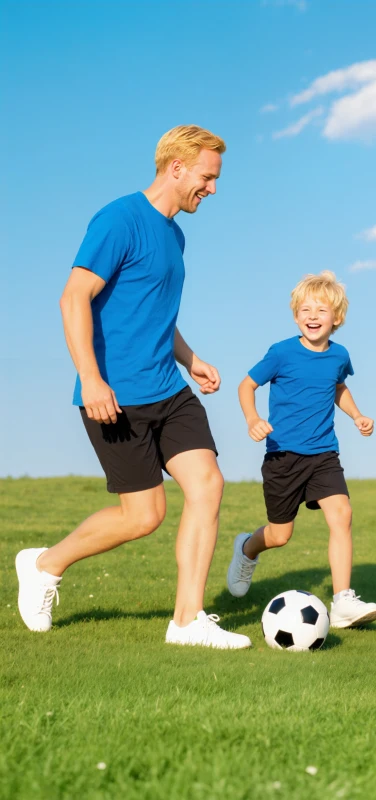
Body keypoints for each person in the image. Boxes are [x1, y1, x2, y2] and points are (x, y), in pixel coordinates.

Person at [15, 125, 251, 650]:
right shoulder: (119, 219)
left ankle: (187, 622)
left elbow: (154, 313)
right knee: (143, 516)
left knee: (207, 484)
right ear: (177, 168)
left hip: (168, 388)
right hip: (116, 397)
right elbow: (74, 298)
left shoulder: (176, 234)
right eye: (207, 178)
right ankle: (44, 566)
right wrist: (93, 379)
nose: (211, 189)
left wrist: (190, 359)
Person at [226, 271, 376, 628]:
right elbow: (246, 386)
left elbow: (338, 387)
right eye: (306, 309)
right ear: (296, 316)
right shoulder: (281, 353)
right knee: (280, 535)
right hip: (283, 455)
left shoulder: (339, 355)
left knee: (341, 513)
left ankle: (342, 601)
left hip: (324, 453)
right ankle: (247, 549)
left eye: (322, 310)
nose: (313, 316)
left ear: (336, 318)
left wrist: (357, 415)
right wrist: (252, 419)